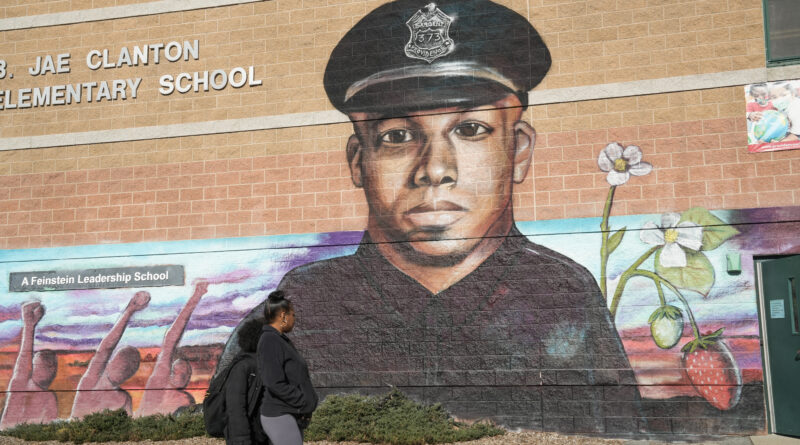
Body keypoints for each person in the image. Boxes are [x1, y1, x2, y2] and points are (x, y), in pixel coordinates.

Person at [218, 0, 643, 434]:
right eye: (397, 136)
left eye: (470, 129)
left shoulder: (562, 291)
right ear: (358, 160)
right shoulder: (306, 300)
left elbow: (620, 429)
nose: (435, 169)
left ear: (518, 151)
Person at [71, 290, 150, 418]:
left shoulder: (123, 398)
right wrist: (129, 311)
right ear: (110, 362)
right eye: (123, 364)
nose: (125, 368)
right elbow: (106, 348)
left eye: (130, 368)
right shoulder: (93, 379)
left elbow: (128, 427)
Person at [137, 279, 208, 416]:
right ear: (170, 372)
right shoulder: (158, 385)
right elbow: (170, 341)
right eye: (178, 371)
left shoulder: (186, 399)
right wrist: (196, 296)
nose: (182, 376)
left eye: (186, 374)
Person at [257, 291, 317, 445]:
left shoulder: (279, 340)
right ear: (283, 316)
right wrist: (303, 401)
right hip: (280, 414)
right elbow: (273, 382)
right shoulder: (270, 341)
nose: (294, 319)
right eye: (293, 315)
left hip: (289, 412)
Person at [0, 302, 58, 429]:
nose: (52, 368)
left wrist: (30, 324)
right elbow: (24, 357)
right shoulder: (20, 385)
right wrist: (29, 325)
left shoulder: (49, 398)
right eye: (46, 364)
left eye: (53, 365)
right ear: (33, 368)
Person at [224, 318, 269, 445]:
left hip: (260, 434)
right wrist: (242, 439)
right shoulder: (244, 367)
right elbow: (236, 407)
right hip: (248, 436)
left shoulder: (263, 364)